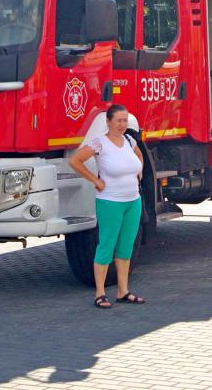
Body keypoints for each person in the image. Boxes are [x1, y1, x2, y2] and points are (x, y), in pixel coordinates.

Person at [69, 104, 145, 309]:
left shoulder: (129, 140)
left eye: (125, 120)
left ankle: (123, 291)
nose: (122, 124)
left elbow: (139, 155)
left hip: (133, 201)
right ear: (108, 121)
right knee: (106, 246)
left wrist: (140, 171)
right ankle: (100, 294)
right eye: (118, 120)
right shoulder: (99, 143)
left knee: (126, 247)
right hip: (110, 202)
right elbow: (75, 161)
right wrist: (95, 180)